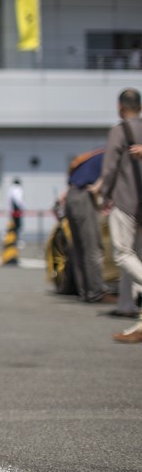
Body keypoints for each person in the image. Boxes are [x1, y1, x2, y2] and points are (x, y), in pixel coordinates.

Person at [95, 88, 142, 343]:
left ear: (119, 107)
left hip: (125, 201)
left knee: (123, 254)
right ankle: (128, 307)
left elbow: (110, 168)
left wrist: (103, 195)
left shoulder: (119, 131)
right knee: (136, 257)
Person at [62, 150, 111, 303]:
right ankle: (96, 292)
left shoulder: (95, 155)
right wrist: (98, 189)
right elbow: (110, 173)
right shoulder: (113, 156)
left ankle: (84, 290)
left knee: (79, 247)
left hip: (72, 195)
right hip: (84, 196)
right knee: (92, 247)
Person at [8, 178, 25, 244]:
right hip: (17, 210)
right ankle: (17, 240)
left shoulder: (10, 189)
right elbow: (18, 200)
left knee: (13, 225)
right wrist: (22, 208)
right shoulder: (17, 189)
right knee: (18, 225)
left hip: (12, 211)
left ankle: (12, 239)